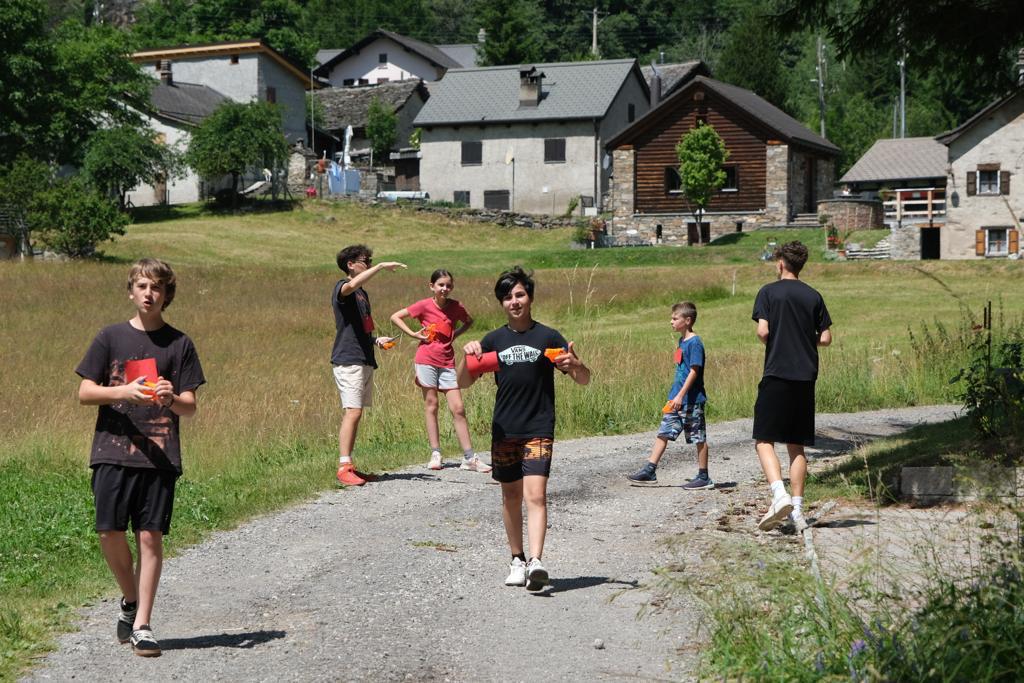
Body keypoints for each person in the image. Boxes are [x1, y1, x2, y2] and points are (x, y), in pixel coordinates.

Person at [75, 258, 205, 657]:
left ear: (167, 294)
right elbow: (85, 392)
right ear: (131, 291)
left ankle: (144, 625)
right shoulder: (110, 337)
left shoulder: (179, 343)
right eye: (143, 286)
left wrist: (170, 398)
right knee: (108, 532)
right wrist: (124, 392)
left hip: (159, 455)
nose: (150, 294)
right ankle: (130, 599)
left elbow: (190, 406)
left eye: (157, 288)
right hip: (111, 451)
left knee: (150, 536)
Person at [458, 267, 591, 591]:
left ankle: (536, 562)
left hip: (539, 426)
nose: (514, 302)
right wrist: (467, 354)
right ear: (501, 303)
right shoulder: (493, 340)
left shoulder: (549, 337)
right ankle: (517, 559)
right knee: (510, 496)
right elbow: (462, 382)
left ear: (530, 297)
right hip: (505, 429)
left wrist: (576, 365)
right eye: (507, 297)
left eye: (519, 294)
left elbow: (583, 379)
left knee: (536, 495)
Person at [751, 241, 832, 532]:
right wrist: (801, 338)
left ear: (781, 263)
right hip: (805, 376)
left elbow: (763, 331)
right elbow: (825, 339)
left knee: (764, 439)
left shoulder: (768, 292)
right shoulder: (814, 296)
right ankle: (797, 510)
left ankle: (779, 494)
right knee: (796, 446)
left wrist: (776, 341)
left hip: (777, 373)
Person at [389, 269, 491, 472]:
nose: (445, 289)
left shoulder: (456, 307)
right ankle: (436, 453)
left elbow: (469, 321)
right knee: (432, 404)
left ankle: (469, 457)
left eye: (448, 285)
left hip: (447, 361)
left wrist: (455, 335)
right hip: (426, 359)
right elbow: (395, 317)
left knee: (458, 408)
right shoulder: (424, 305)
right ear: (432, 286)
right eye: (441, 285)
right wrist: (414, 334)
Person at [331, 244, 406, 486]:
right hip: (348, 359)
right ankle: (343, 467)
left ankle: (350, 464)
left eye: (372, 262)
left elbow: (360, 327)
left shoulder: (363, 294)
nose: (370, 264)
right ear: (350, 264)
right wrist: (383, 267)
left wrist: (376, 340)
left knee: (357, 412)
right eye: (366, 261)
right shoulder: (343, 288)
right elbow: (349, 286)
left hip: (363, 357)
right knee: (352, 411)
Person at [627, 302, 712, 490]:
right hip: (676, 398)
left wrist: (681, 395)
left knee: (697, 437)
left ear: (687, 321)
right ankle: (650, 470)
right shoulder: (682, 341)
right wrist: (674, 395)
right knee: (664, 431)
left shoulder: (695, 343)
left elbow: (694, 371)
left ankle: (704, 476)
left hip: (691, 400)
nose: (671, 321)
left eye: (675, 318)